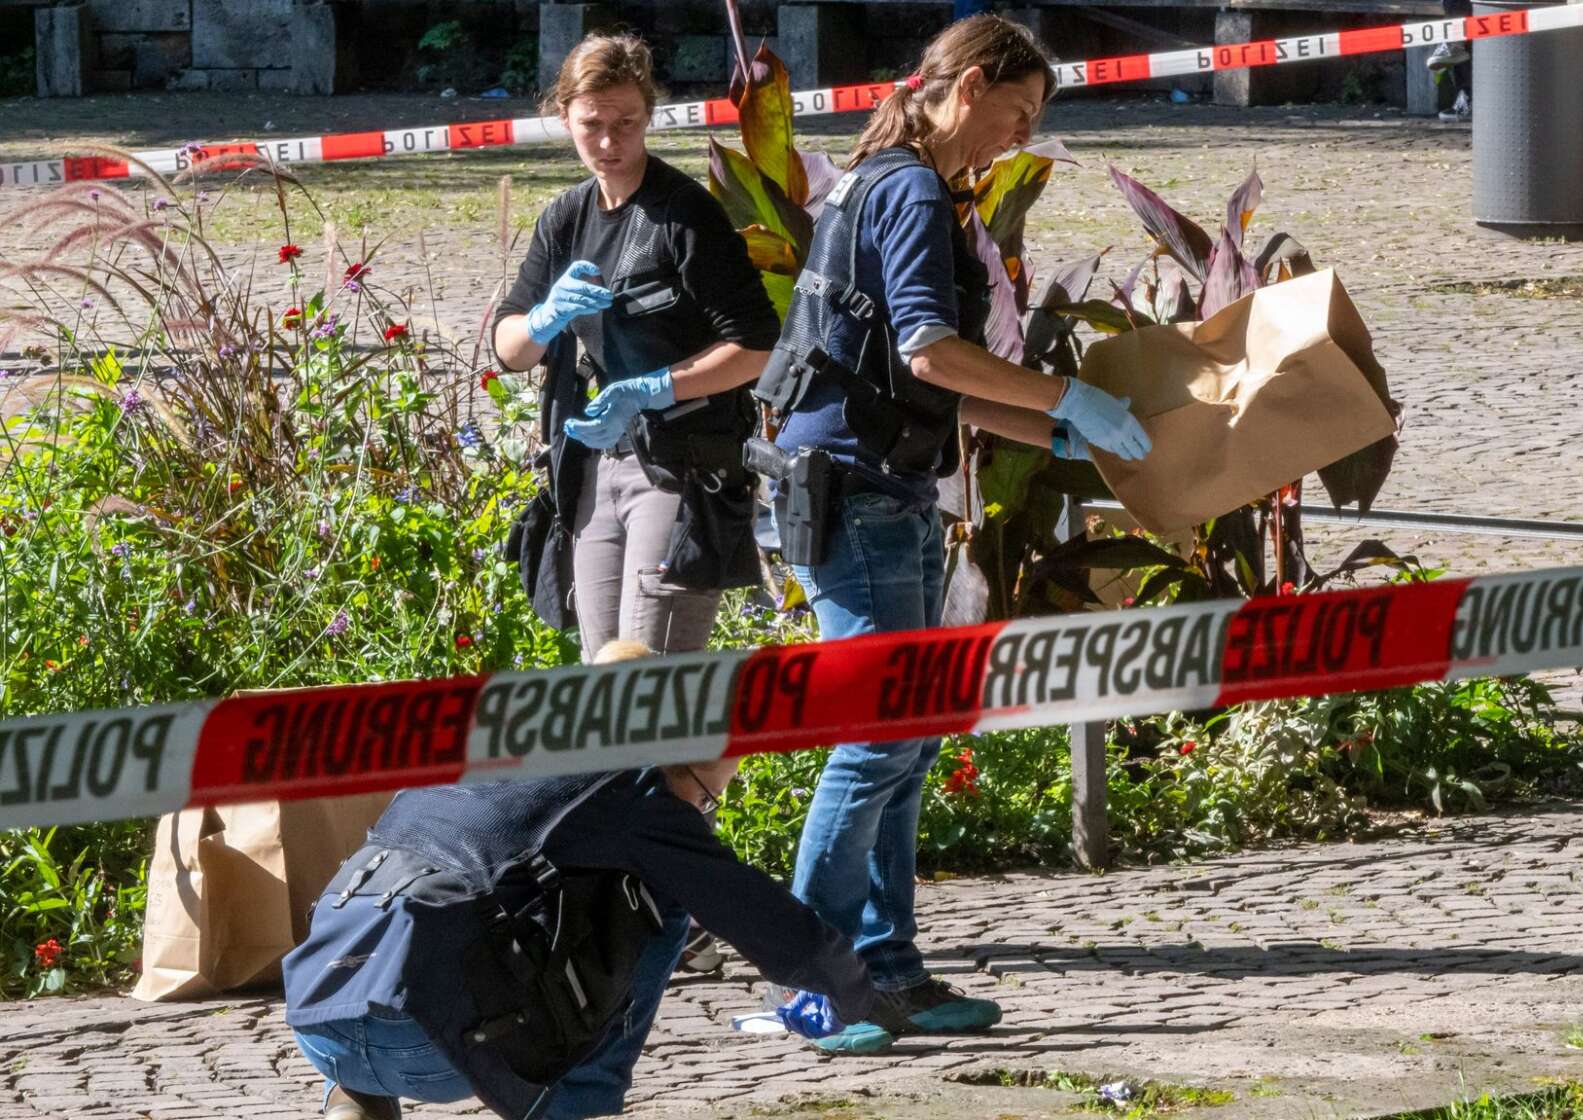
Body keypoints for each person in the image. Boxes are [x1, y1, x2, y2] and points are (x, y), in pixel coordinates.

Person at [749, 14, 1152, 1055]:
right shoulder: (912, 189)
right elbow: (933, 351)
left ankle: (888, 966)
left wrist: (1069, 428)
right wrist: (1068, 395)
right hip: (855, 494)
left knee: (911, 735)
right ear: (967, 87)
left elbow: (944, 387)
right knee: (880, 733)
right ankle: (818, 979)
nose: (1015, 138)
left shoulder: (897, 181)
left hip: (888, 486)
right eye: (1014, 114)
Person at [283, 642, 877, 1120]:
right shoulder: (636, 786)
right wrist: (859, 993)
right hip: (429, 1049)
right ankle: (569, 1108)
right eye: (705, 798)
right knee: (664, 904)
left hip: (318, 1008)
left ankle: (354, 1098)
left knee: (426, 932)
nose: (702, 813)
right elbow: (757, 915)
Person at [493, 32, 778, 664]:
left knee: (648, 677)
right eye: (591, 124)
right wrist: (542, 319)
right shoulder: (566, 216)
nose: (608, 142)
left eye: (626, 123)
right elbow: (509, 347)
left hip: (679, 464)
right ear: (563, 116)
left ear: (649, 116)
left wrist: (652, 388)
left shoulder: (685, 214)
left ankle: (676, 769)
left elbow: (758, 345)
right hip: (596, 463)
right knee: (605, 677)